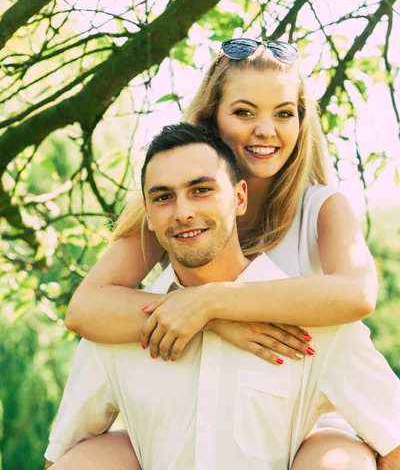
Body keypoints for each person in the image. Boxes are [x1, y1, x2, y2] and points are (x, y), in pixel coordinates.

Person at [61, 38, 384, 469]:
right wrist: (209, 322)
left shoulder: (321, 207)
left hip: (306, 420)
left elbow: (357, 294)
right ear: (213, 117)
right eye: (244, 112)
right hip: (195, 410)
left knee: (337, 458)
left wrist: (210, 301)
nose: (266, 130)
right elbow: (86, 308)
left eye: (284, 113)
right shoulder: (176, 215)